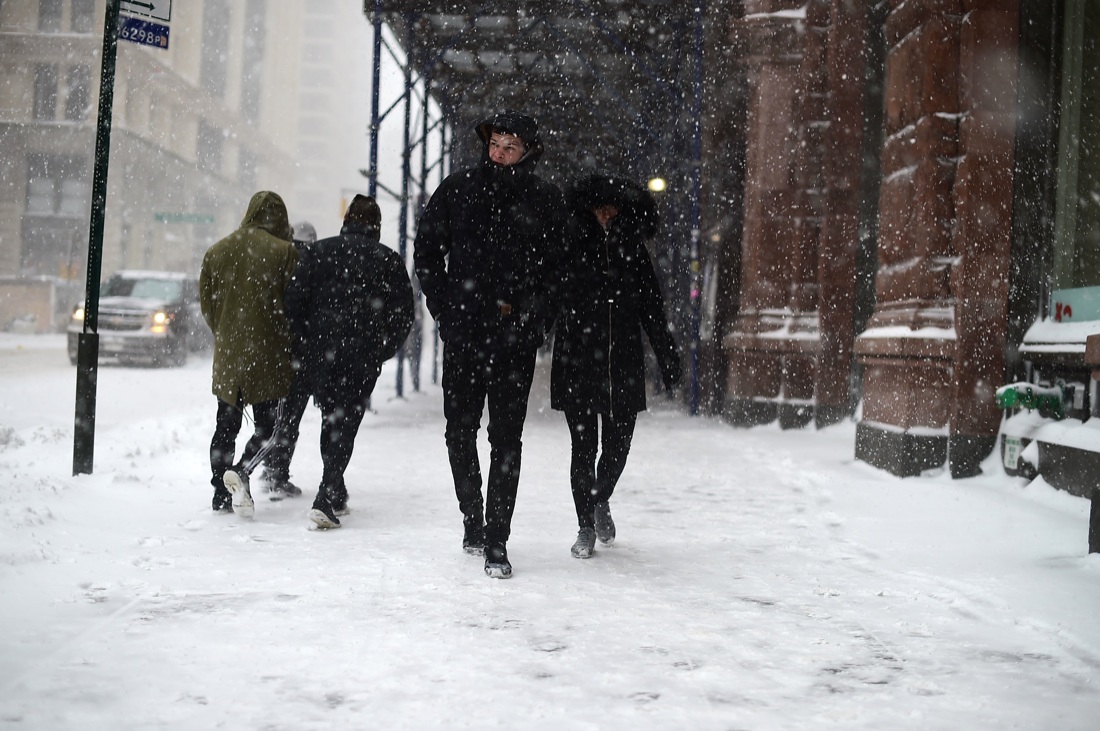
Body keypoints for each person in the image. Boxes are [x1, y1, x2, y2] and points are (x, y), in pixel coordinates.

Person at [413, 109, 565, 578]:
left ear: (527, 153)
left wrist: (535, 321)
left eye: (510, 147)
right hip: (464, 333)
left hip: (512, 336)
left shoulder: (543, 199)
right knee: (458, 432)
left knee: (506, 439)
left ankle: (497, 538)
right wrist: (444, 310)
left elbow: (558, 270)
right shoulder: (458, 190)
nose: (499, 153)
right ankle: (471, 517)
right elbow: (426, 252)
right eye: (495, 143)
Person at [550, 174, 682, 558]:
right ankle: (585, 525)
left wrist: (667, 355)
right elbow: (549, 293)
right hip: (578, 359)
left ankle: (599, 497)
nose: (606, 213)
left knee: (618, 445)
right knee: (582, 447)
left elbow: (652, 308)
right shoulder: (571, 244)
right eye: (599, 206)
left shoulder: (633, 250)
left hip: (622, 360)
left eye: (613, 207)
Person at [284, 195, 414, 530]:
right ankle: (327, 494)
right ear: (377, 226)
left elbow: (294, 302)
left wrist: (308, 342)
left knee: (331, 415)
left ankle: (334, 488)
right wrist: (380, 350)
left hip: (321, 354)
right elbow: (402, 316)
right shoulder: (388, 260)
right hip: (362, 356)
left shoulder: (318, 252)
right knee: (347, 422)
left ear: (346, 220)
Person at [200, 190, 299, 517]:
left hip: (230, 354)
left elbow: (208, 306)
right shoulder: (285, 253)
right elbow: (292, 306)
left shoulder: (217, 251)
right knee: (268, 428)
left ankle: (219, 492)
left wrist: (228, 333)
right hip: (268, 355)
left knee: (224, 426)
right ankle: (242, 470)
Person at [259, 220, 319, 500]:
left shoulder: (280, 262)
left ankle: (270, 466)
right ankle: (277, 472)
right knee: (290, 418)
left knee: (275, 416)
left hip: (279, 353)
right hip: (301, 354)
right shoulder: (311, 264)